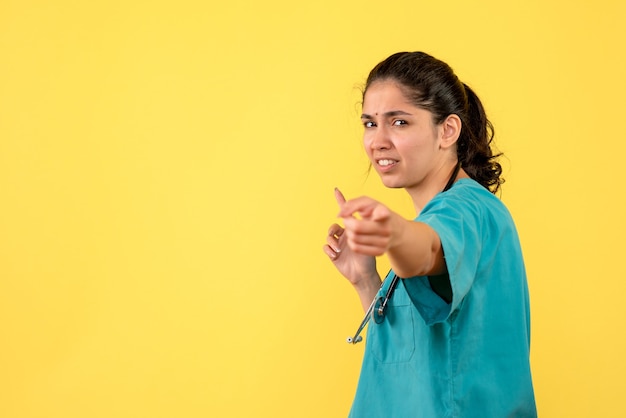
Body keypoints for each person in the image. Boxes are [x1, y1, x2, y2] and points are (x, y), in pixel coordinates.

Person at [323, 52, 537, 417]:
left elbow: (427, 250)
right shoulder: (440, 216)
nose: (378, 141)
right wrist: (365, 281)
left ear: (448, 130)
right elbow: (414, 356)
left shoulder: (466, 211)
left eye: (400, 122)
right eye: (370, 124)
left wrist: (392, 232)